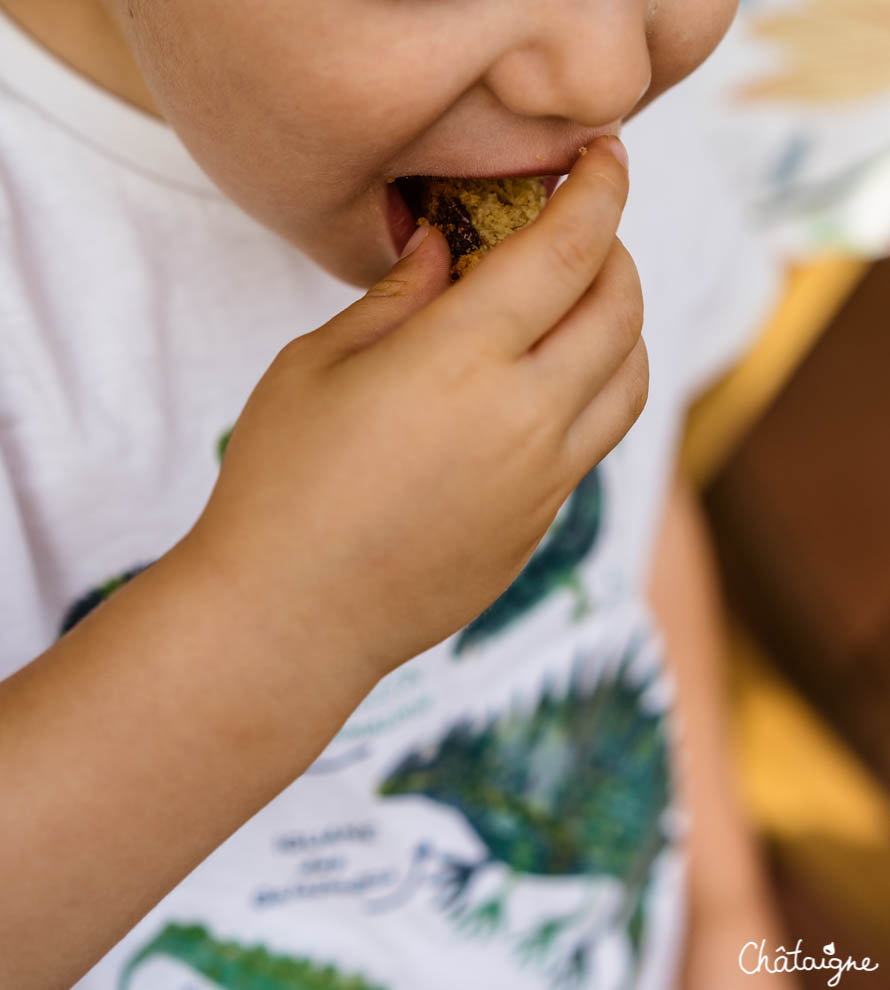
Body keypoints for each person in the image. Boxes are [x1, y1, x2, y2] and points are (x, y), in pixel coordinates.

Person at [0, 1, 800, 988]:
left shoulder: (621, 139)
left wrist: (724, 902)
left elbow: (627, 525)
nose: (605, 73)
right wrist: (281, 622)